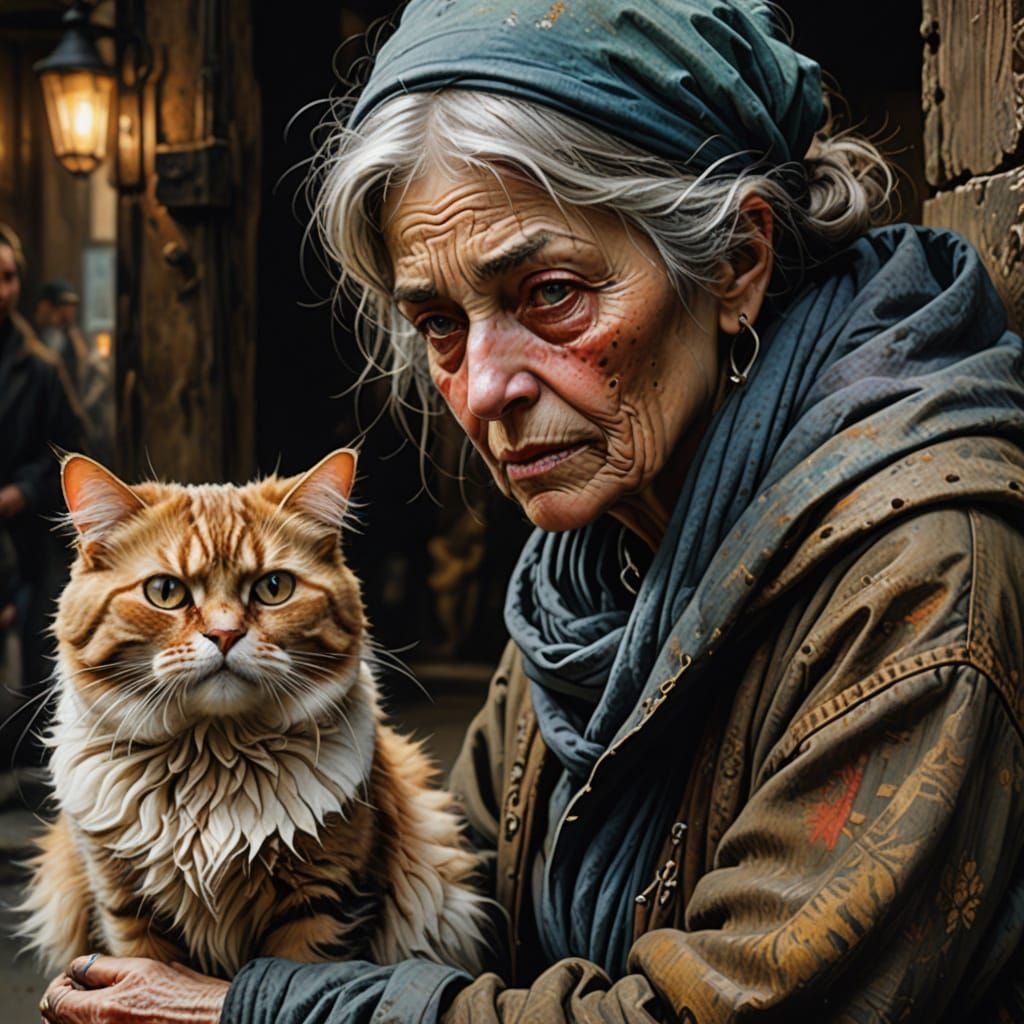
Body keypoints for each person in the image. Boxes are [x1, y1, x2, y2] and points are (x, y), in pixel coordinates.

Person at [38, 2, 1024, 1021]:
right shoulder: (588, 566)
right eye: (437, 323)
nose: (483, 388)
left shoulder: (921, 582)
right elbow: (475, 890)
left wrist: (248, 1010)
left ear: (734, 261)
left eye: (550, 293)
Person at [0, 226, 86, 773]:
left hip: (18, 541)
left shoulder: (39, 368)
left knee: (24, 662)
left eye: (6, 278)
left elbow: (69, 453)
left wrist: (23, 491)